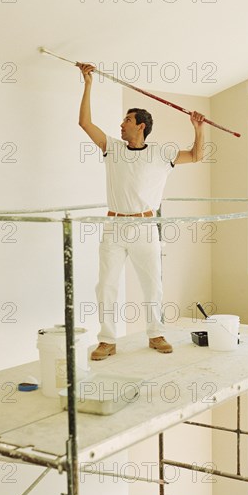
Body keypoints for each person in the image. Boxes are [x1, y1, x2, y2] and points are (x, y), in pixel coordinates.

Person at [77, 62, 205, 361]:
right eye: (123, 120)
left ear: (141, 126)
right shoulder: (112, 148)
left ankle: (155, 334)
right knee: (105, 285)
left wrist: (197, 129)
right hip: (114, 226)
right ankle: (107, 340)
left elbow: (197, 155)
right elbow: (85, 123)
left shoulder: (162, 153)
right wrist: (88, 84)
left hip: (146, 227)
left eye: (127, 120)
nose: (121, 125)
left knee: (152, 284)